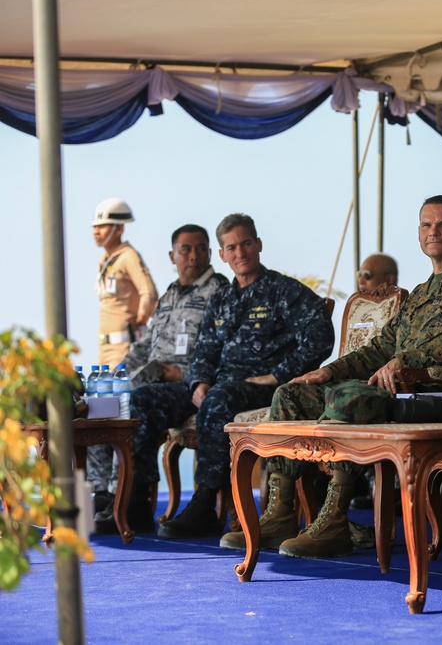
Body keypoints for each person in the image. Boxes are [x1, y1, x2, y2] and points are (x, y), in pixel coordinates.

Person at [218, 195, 442, 557]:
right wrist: (328, 371)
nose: (434, 232)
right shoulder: (419, 294)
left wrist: (407, 361)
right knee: (290, 395)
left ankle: (334, 520)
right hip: (392, 394)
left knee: (350, 398)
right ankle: (279, 516)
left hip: (439, 398)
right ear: (418, 234)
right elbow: (378, 349)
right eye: (426, 225)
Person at [121, 213, 335, 538]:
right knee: (143, 399)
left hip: (260, 390)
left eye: (246, 243)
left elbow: (320, 335)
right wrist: (199, 382)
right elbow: (204, 350)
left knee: (219, 398)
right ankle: (136, 504)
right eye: (231, 247)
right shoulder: (221, 298)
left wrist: (277, 375)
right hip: (218, 387)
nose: (240, 253)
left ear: (258, 244)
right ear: (222, 255)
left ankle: (206, 505)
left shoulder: (282, 290)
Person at [91, 224, 228, 533]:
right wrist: (116, 376)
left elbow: (223, 349)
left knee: (137, 402)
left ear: (210, 253)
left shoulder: (220, 292)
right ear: (172, 256)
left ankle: (134, 502)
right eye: (185, 249)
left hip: (190, 384)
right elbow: (144, 346)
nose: (193, 256)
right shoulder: (169, 294)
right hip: (154, 377)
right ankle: (104, 493)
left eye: (200, 248)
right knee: (99, 399)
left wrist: (186, 374)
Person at [89, 197, 158, 513]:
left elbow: (149, 293)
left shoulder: (129, 256)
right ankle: (100, 492)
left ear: (118, 227)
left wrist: (140, 324)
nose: (96, 232)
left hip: (124, 353)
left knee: (118, 422)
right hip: (104, 355)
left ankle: (120, 494)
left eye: (102, 226)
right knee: (96, 418)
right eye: (95, 226)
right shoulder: (107, 260)